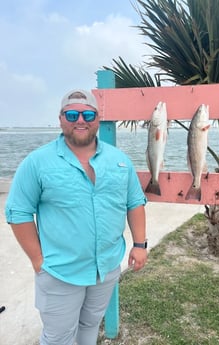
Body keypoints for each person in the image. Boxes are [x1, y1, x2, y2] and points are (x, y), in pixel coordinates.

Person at [5, 89, 147, 345]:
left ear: (97, 118)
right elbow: (18, 212)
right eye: (72, 114)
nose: (80, 120)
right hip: (60, 272)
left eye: (87, 114)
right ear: (61, 119)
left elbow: (135, 202)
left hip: (105, 269)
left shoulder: (120, 160)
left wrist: (139, 245)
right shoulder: (37, 162)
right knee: (58, 338)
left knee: (90, 325)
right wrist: (38, 260)